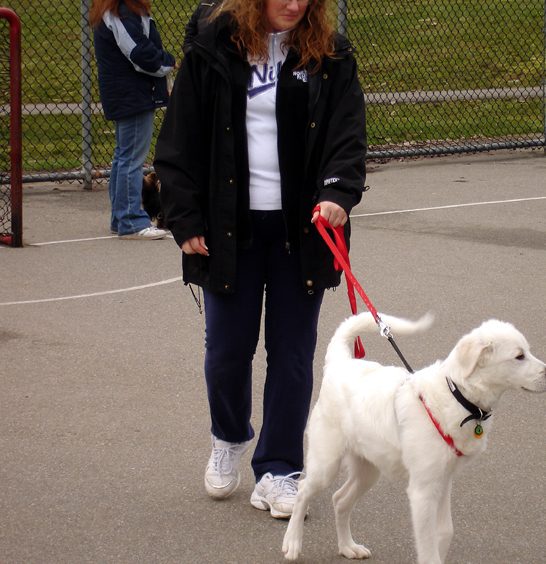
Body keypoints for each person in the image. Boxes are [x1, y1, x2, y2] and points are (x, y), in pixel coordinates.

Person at [153, 0, 367, 518]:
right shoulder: (211, 50)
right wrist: (185, 218)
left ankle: (278, 469)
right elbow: (180, 139)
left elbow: (347, 134)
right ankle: (228, 436)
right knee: (227, 352)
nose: (293, 4)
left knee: (292, 355)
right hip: (230, 229)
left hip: (304, 230)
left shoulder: (330, 55)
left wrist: (338, 191)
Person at [89, 0, 175, 240]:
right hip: (132, 95)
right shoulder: (121, 13)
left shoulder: (120, 11)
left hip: (127, 93)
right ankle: (131, 221)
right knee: (131, 158)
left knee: (124, 155)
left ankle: (120, 218)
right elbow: (140, 54)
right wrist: (167, 61)